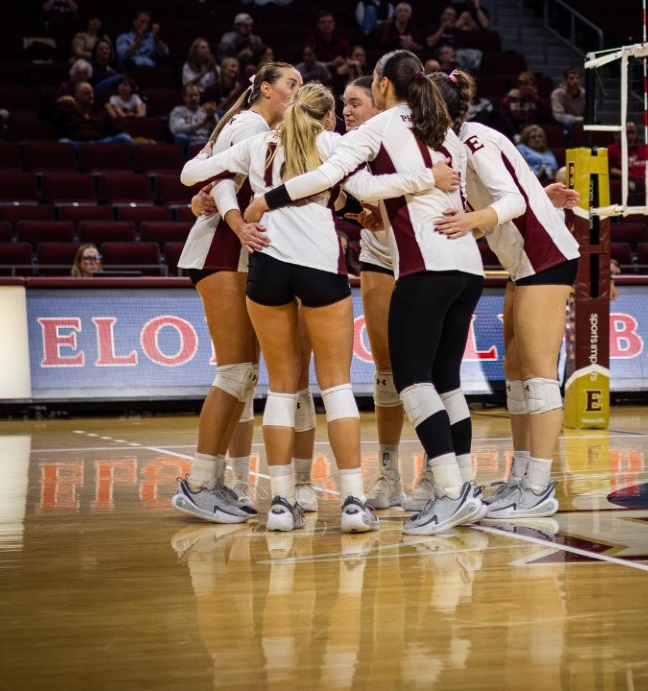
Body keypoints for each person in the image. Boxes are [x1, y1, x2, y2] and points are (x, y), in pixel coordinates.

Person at [241, 50, 489, 536]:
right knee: (446, 380)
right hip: (469, 267)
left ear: (380, 86)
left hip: (427, 265)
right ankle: (463, 485)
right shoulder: (441, 128)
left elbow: (330, 178)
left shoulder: (377, 130)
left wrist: (266, 198)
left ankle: (450, 490)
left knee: (412, 381)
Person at [182, 80, 443, 535]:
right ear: (325, 116)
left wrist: (210, 183)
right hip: (320, 266)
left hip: (267, 267)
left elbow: (190, 173)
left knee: (282, 388)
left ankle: (282, 501)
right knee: (337, 387)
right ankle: (351, 501)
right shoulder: (335, 142)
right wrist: (428, 179)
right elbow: (369, 185)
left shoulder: (259, 142)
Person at [431, 69, 583, 521]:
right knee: (516, 375)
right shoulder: (463, 145)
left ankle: (537, 485)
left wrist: (470, 221)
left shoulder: (474, 142)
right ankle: (519, 479)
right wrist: (542, 193)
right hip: (522, 261)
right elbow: (518, 191)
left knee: (537, 377)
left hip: (546, 257)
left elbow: (510, 201)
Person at [168, 62, 302, 525]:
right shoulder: (249, 123)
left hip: (236, 252)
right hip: (219, 251)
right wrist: (236, 222)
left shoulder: (265, 129)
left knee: (243, 375)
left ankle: (218, 478)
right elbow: (218, 180)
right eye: (290, 84)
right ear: (264, 89)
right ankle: (200, 482)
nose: (296, 91)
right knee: (234, 372)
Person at [337, 76, 409, 511]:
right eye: (343, 103)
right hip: (380, 260)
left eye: (355, 102)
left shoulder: (403, 140)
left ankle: (444, 476)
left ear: (379, 103)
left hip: (427, 260)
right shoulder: (346, 148)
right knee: (386, 372)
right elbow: (327, 192)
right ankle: (389, 475)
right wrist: (354, 211)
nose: (346, 110)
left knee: (425, 372)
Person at [53, 81, 133, 146]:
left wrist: (128, 135)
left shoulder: (100, 113)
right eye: (86, 93)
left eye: (92, 93)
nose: (91, 96)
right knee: (64, 142)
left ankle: (132, 166)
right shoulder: (66, 111)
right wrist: (59, 102)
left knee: (125, 138)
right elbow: (44, 114)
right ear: (76, 95)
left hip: (98, 143)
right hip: (76, 143)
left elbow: (117, 129)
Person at [168, 82, 214, 152]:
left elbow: (217, 129)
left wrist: (213, 117)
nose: (194, 98)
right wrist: (200, 123)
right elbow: (177, 129)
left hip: (207, 143)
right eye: (190, 96)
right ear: (184, 97)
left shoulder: (205, 110)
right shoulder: (178, 111)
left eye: (196, 95)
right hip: (190, 144)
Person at [550, 69, 586, 134]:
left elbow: (590, 117)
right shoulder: (557, 94)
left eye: (577, 78)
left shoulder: (587, 94)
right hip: (565, 124)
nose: (575, 81)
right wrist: (580, 119)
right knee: (566, 123)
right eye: (572, 78)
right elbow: (559, 116)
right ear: (565, 81)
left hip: (581, 123)